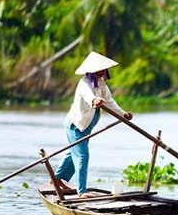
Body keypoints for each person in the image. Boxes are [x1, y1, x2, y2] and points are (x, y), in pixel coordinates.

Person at [54, 52, 132, 195]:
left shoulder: (101, 84)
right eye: (98, 70)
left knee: (74, 152)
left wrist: (123, 114)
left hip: (87, 125)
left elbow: (109, 101)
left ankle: (56, 179)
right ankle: (82, 191)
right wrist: (94, 101)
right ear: (91, 71)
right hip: (76, 125)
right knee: (82, 156)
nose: (101, 72)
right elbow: (89, 96)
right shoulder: (84, 83)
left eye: (103, 69)